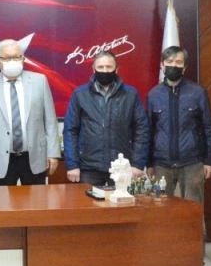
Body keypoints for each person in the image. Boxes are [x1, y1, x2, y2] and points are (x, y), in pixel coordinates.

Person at [0, 39, 60, 185]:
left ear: (23, 59)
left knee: (37, 199)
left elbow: (50, 122)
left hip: (34, 157)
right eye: (7, 58)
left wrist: (53, 153)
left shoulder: (39, 81)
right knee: (2, 200)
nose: (12, 61)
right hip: (0, 159)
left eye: (16, 57)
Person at [63, 51, 149, 186]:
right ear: (93, 69)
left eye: (109, 67)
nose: (105, 70)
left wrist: (138, 163)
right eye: (101, 67)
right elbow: (70, 131)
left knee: (122, 201)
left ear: (116, 69)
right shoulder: (80, 94)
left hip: (121, 167)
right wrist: (72, 164)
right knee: (86, 200)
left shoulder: (131, 95)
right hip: (88, 168)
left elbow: (142, 130)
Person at [147, 46, 211, 202]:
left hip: (192, 163)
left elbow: (208, 128)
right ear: (162, 65)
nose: (174, 65)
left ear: (184, 68)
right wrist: (149, 163)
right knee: (160, 209)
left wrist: (208, 161)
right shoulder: (153, 95)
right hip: (161, 164)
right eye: (169, 61)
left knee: (193, 210)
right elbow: (149, 131)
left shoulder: (198, 92)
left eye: (178, 62)